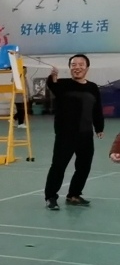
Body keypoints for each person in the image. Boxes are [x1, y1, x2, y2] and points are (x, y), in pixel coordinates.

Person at [43, 54, 104, 210]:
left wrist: (99, 127)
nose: (77, 67)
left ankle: (74, 195)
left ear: (87, 68)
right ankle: (51, 197)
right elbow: (52, 85)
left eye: (81, 64)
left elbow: (97, 108)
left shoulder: (93, 87)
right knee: (59, 166)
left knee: (84, 166)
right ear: (70, 68)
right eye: (73, 65)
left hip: (86, 134)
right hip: (65, 134)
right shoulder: (63, 85)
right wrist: (53, 76)